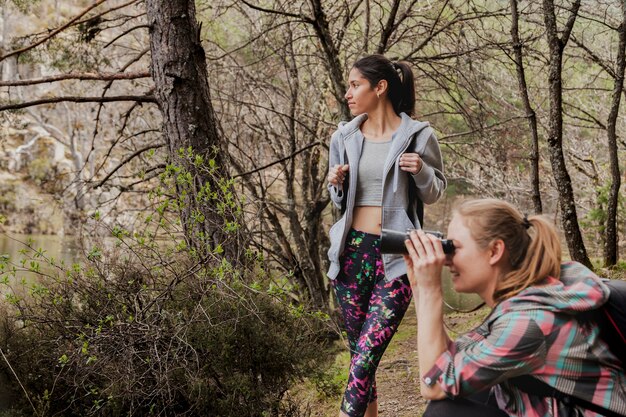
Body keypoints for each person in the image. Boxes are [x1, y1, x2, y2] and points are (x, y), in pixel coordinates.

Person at [403, 198, 626, 417]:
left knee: (444, 413)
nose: (446, 259)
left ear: (495, 251)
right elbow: (451, 360)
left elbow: (433, 384)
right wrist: (420, 288)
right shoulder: (529, 295)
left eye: (454, 248)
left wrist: (431, 289)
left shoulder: (528, 321)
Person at [326, 54, 446, 417]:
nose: (348, 93)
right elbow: (339, 203)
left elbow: (435, 191)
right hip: (350, 255)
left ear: (380, 88)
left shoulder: (419, 135)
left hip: (396, 255)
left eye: (355, 85)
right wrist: (336, 184)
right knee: (359, 356)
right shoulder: (343, 136)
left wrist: (422, 170)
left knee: (366, 356)